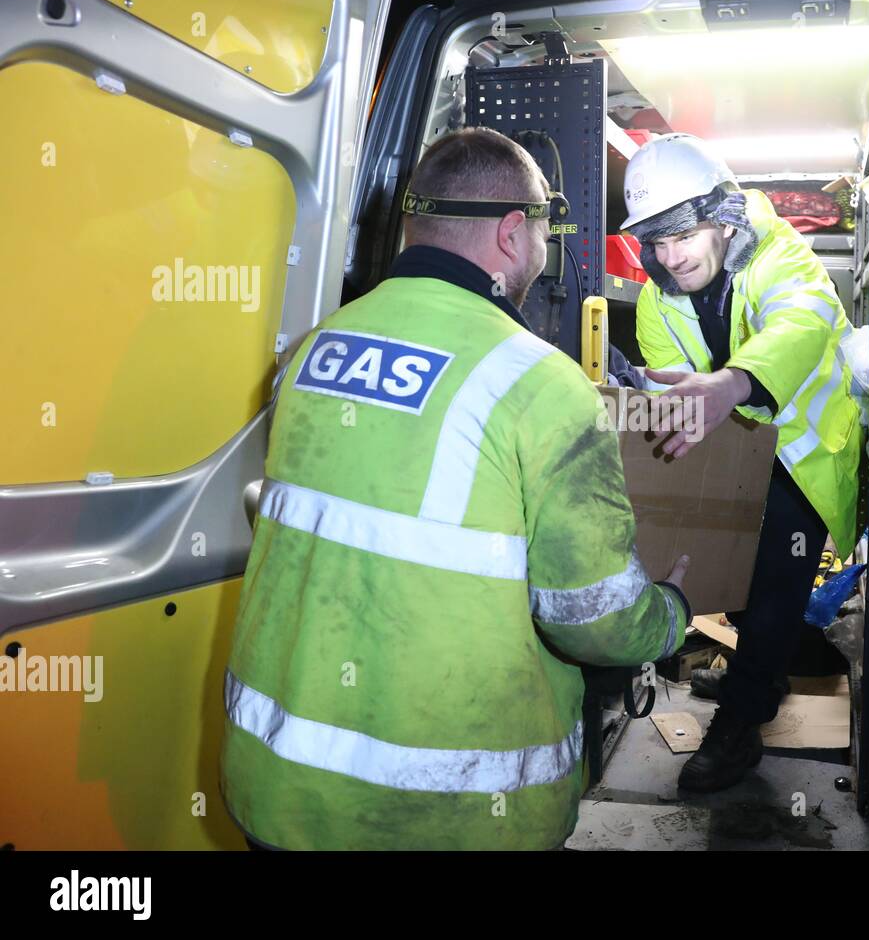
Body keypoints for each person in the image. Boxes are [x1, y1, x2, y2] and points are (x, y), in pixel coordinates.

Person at [221, 127, 691, 849]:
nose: (543, 249)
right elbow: (592, 618)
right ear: (512, 233)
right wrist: (670, 613)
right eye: (542, 229)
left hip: (278, 792)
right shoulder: (542, 386)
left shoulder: (310, 354)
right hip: (445, 818)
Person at [624, 133, 861, 792]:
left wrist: (731, 384)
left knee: (775, 582)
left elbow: (802, 322)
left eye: (684, 236)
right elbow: (667, 388)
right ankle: (761, 671)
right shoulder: (656, 297)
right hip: (739, 447)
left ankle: (740, 727)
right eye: (657, 242)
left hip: (808, 453)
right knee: (729, 572)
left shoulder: (782, 256)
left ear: (723, 218)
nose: (671, 258)